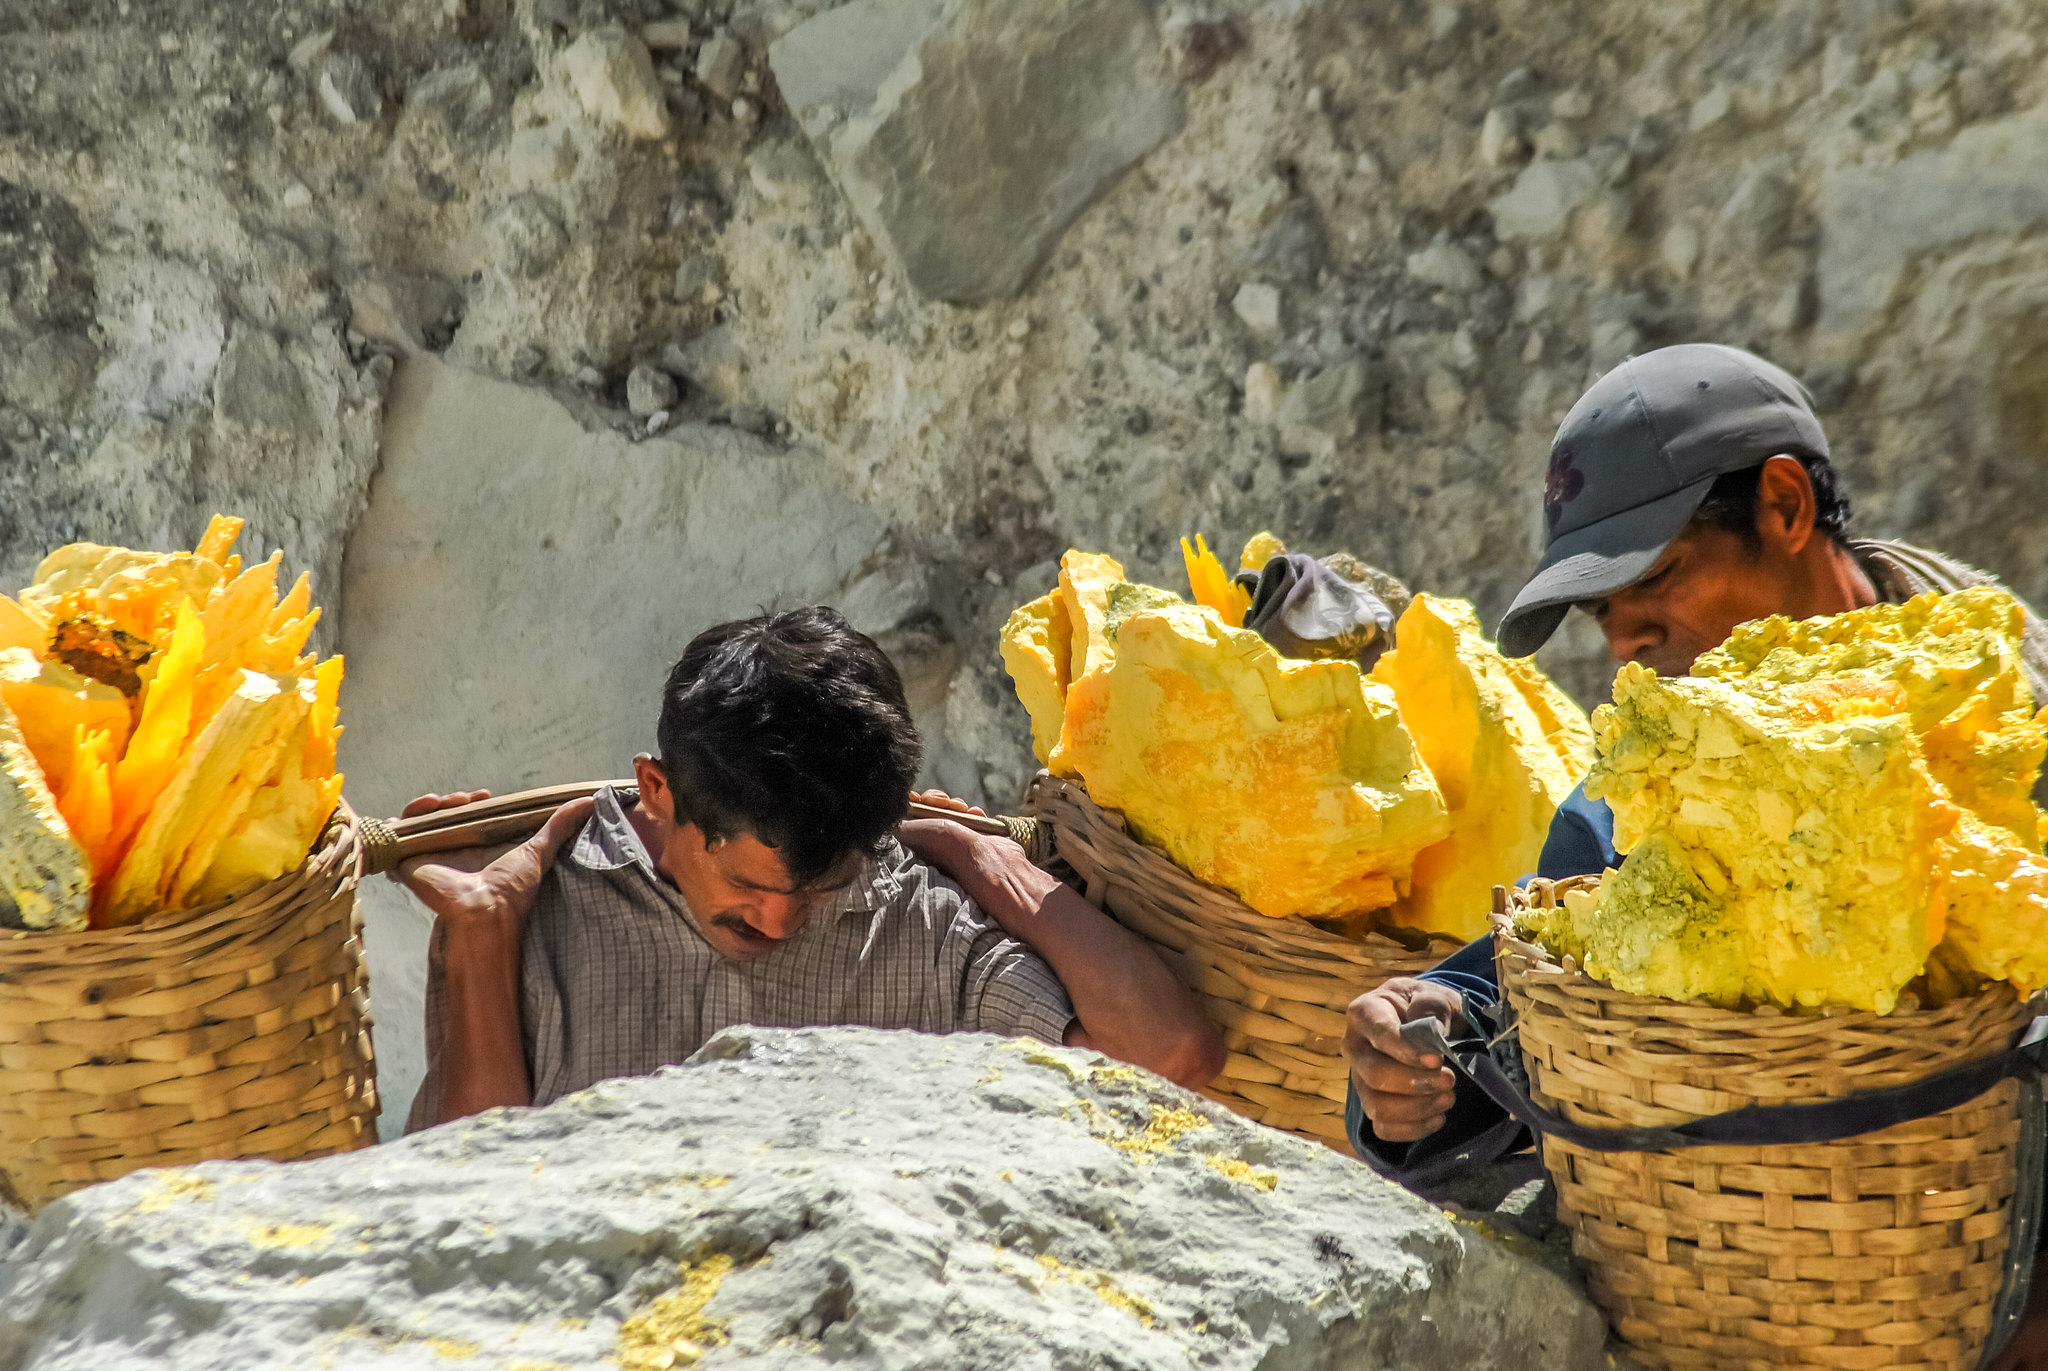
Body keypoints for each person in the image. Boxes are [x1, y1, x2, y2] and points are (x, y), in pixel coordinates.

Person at [1339, 344, 2048, 1369]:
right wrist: (1427, 1041)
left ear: (1783, 505)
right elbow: (1539, 975)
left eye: (1658, 579)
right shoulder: (1629, 811)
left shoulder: (2006, 730)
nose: (1628, 640)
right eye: (1604, 617)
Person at [399, 605, 1223, 1130]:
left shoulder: (912, 916)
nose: (781, 921)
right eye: (748, 886)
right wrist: (481, 930)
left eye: (820, 886)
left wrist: (989, 861)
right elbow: (460, 1190)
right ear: (657, 792)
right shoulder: (530, 905)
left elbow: (1172, 1050)